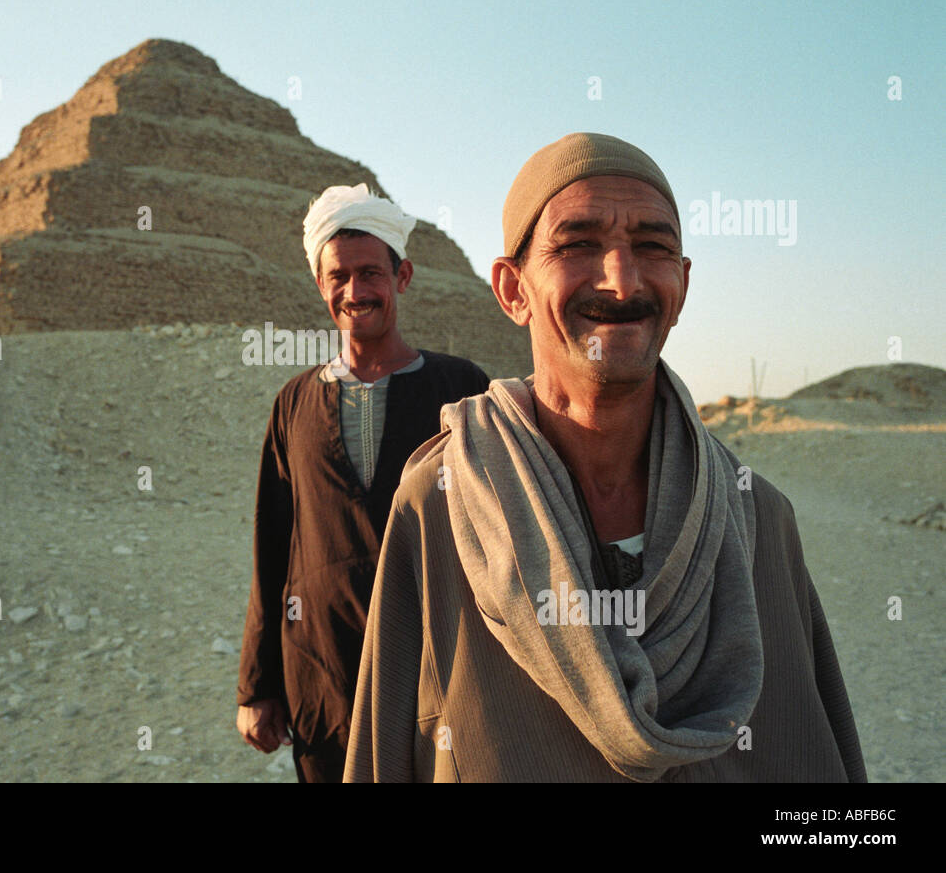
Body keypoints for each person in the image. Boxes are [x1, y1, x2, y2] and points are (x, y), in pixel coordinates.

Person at [343, 133, 866, 782]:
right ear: (513, 290)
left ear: (682, 279)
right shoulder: (444, 501)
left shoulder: (756, 516)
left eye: (652, 246)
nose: (622, 281)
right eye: (578, 244)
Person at [236, 183, 490, 783]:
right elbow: (271, 546)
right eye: (338, 277)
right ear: (321, 284)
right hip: (322, 677)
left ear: (402, 276)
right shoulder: (294, 403)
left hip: (438, 668)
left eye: (370, 272)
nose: (355, 291)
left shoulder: (463, 389)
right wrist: (258, 685)